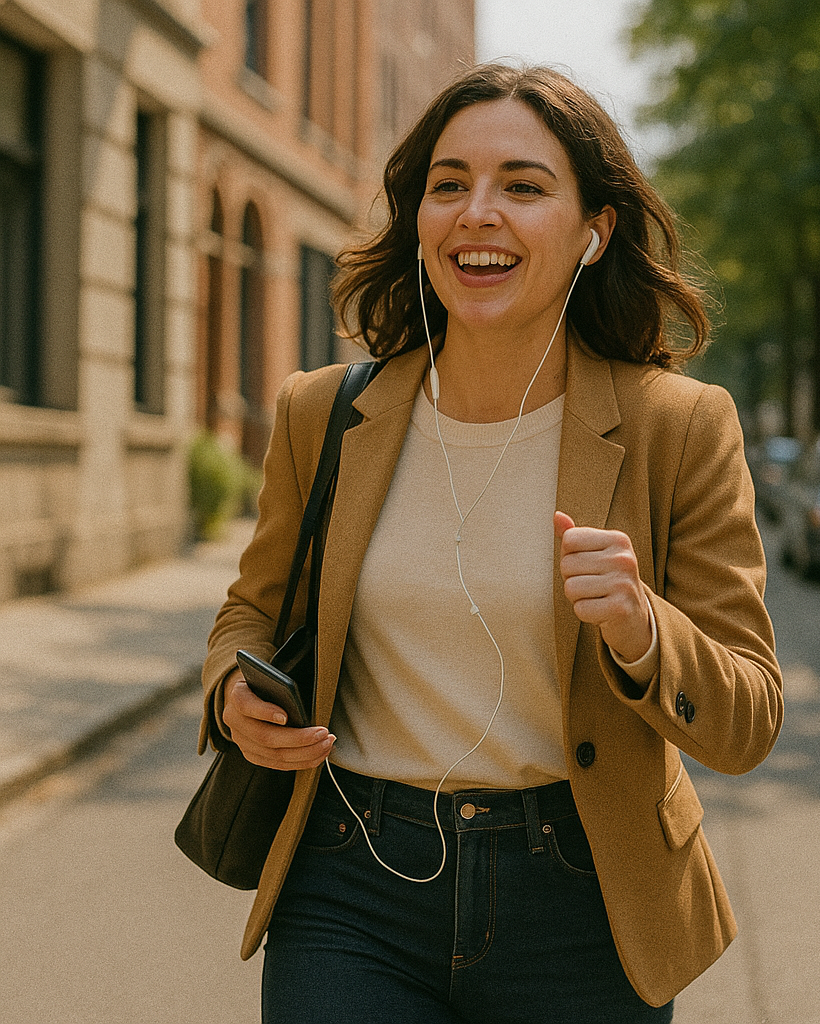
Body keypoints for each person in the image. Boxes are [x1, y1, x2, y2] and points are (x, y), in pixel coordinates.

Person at [199, 63, 783, 1023]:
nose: (477, 213)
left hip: (582, 898)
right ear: (419, 219)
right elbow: (251, 610)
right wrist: (233, 690)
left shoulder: (677, 428)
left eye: (522, 186)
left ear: (594, 233)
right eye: (448, 184)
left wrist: (643, 628)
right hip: (352, 884)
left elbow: (748, 718)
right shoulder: (324, 412)